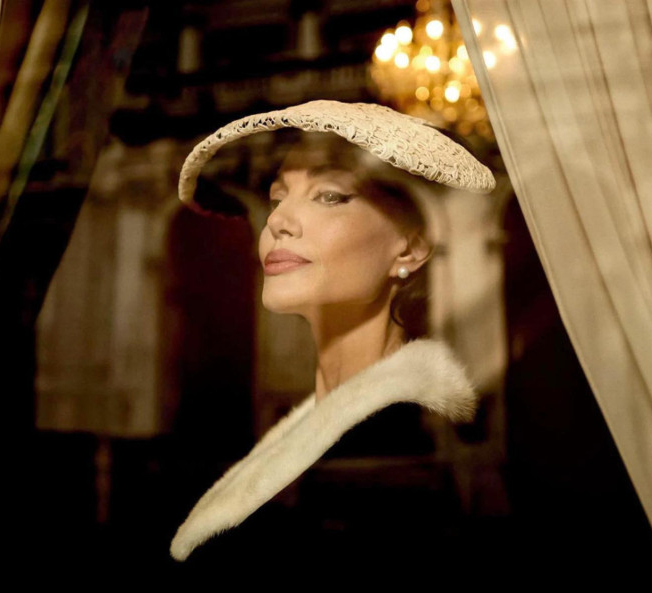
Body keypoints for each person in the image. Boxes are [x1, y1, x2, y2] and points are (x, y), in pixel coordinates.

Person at [169, 100, 494, 561]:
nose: (276, 221)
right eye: (278, 198)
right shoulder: (326, 426)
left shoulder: (381, 452)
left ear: (411, 249)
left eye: (329, 196)